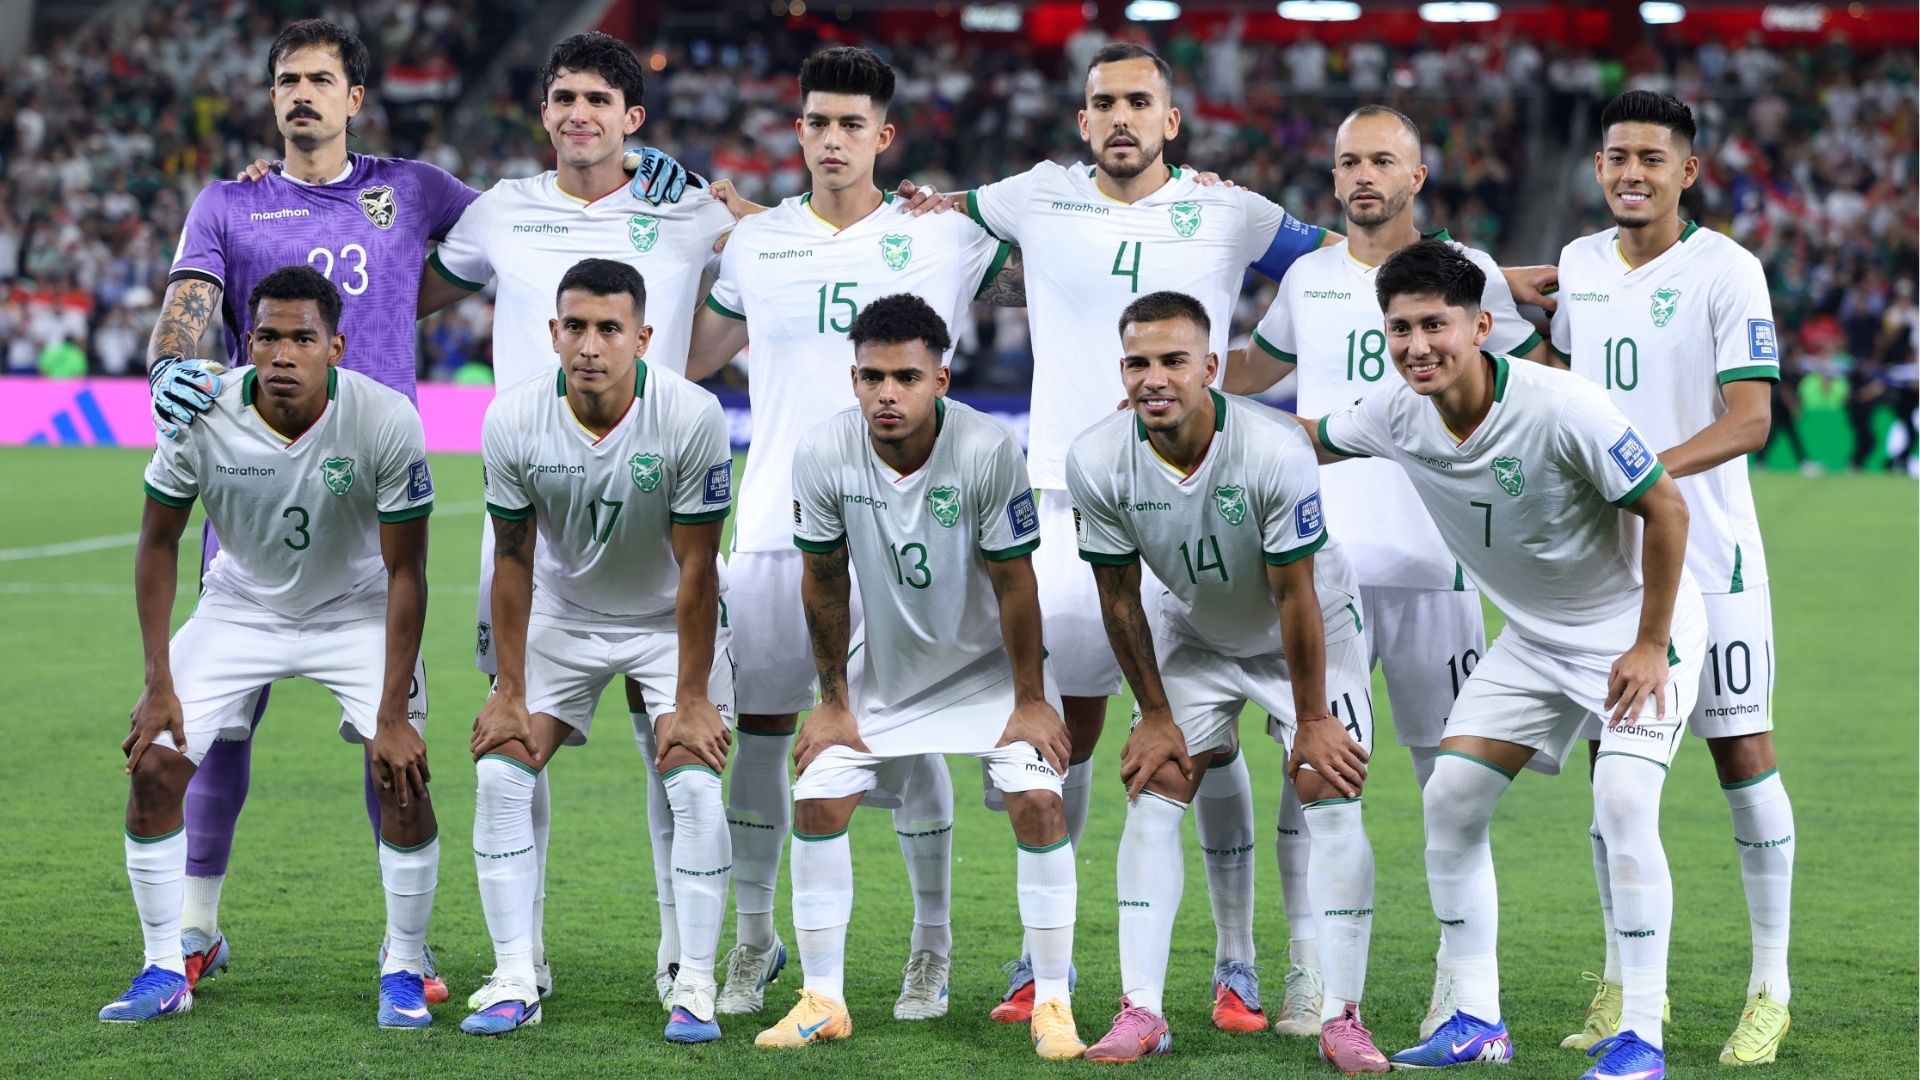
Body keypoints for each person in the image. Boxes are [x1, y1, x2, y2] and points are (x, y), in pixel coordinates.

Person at [926, 42, 1336, 1029]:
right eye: (1102, 101)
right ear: (1080, 121)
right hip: (1063, 498)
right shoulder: (1033, 194)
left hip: (1198, 496)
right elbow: (929, 223)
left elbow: (1346, 258)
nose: (1119, 116)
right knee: (1064, 730)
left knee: (1210, 730)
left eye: (1138, 101)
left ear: (1170, 121)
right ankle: (1042, 953)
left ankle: (1236, 963)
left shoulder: (1226, 208)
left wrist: (1486, 279)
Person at [1304, 241, 1705, 1080]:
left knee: (1626, 799)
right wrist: (1202, 409)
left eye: (1436, 326)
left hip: (1636, 625)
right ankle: (1478, 1019)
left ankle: (1642, 1037)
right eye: (1400, 328)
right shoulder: (1394, 412)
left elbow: (1666, 507)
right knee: (1450, 796)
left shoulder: (1564, 406)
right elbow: (1311, 438)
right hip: (1535, 637)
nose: (1417, 345)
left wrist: (1651, 643)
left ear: (1482, 326)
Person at [683, 45, 1025, 1019]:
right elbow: (698, 354)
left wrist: (965, 203)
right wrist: (699, 231)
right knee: (759, 738)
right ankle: (754, 940)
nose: (832, 140)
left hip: (902, 537)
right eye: (817, 123)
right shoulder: (758, 245)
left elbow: (1054, 265)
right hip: (770, 531)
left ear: (884, 136)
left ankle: (931, 948)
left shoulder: (940, 237)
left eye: (851, 125)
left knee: (908, 746)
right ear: (797, 132)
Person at [145, 18, 474, 1001]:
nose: (302, 95)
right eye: (288, 79)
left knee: (393, 750)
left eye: (320, 80)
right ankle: (196, 933)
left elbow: (519, 232)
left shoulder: (413, 188)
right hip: (253, 497)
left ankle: (405, 954)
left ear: (354, 97)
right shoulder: (228, 203)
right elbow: (192, 307)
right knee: (218, 737)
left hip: (372, 507)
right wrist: (172, 367)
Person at [418, 31, 737, 1008]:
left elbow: (794, 244)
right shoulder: (502, 211)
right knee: (509, 738)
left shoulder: (687, 213)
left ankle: (683, 964)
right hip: (534, 503)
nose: (578, 113)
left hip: (659, 486)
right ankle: (521, 965)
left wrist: (726, 199)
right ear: (544, 111)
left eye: (600, 98)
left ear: (634, 119)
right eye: (563, 97)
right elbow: (411, 276)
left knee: (674, 748)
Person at [1224, 104, 1548, 1038]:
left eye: (1383, 161)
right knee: (1311, 772)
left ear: (1418, 174)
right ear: (1333, 179)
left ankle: (1461, 982)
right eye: (1348, 161)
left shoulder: (1471, 277)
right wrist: (1181, 379)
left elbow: (1531, 385)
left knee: (1455, 782)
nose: (1363, 176)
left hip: (1443, 570)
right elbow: (1256, 373)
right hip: (1327, 571)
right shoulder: (1310, 279)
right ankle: (1309, 972)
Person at [106, 266, 438, 1027]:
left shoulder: (384, 419)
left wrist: (392, 712)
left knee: (404, 778)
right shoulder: (201, 415)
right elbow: (159, 543)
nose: (283, 354)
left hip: (355, 609)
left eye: (302, 338)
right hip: (240, 606)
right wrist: (158, 679)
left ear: (336, 347)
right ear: (244, 344)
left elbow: (407, 570)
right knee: (154, 766)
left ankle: (406, 965)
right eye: (267, 337)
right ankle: (164, 966)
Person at [1066, 292, 1382, 1070]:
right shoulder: (1096, 457)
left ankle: (1343, 1013)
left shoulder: (1275, 448)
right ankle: (1141, 1010)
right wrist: (1153, 713)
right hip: (1194, 628)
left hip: (1307, 631)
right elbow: (1116, 595)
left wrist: (1312, 719)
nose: (1155, 378)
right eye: (1138, 362)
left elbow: (1294, 593)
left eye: (1174, 360)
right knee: (1155, 782)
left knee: (1328, 785)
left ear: (1211, 367)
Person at [764, 293, 1083, 1061]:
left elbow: (1016, 582)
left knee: (1039, 802)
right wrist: (833, 703)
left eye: (906, 376)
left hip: (991, 677)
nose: (887, 393)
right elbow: (824, 581)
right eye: (872, 376)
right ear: (853, 378)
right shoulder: (825, 451)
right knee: (816, 800)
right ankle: (823, 998)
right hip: (885, 678)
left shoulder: (984, 448)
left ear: (941, 378)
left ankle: (1053, 1003)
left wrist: (1033, 700)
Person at [1549, 90, 1795, 1068]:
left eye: (1652, 157)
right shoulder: (1575, 265)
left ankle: (1769, 989)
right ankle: (1618, 980)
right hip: (1603, 574)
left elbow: (1751, 420)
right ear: (1599, 167)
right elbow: (1556, 384)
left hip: (1714, 558)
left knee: (1743, 759)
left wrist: (1640, 470)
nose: (1631, 173)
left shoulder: (1729, 270)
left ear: (1688, 172)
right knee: (1613, 781)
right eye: (1616, 157)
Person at [465, 259, 735, 1041]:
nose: (591, 344)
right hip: (564, 613)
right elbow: (511, 560)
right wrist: (508, 688)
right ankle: (517, 973)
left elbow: (697, 568)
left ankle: (693, 982)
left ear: (643, 338)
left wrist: (688, 701)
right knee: (500, 769)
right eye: (575, 327)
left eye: (610, 328)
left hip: (667, 620)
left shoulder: (690, 414)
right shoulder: (513, 417)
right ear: (552, 333)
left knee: (693, 787)